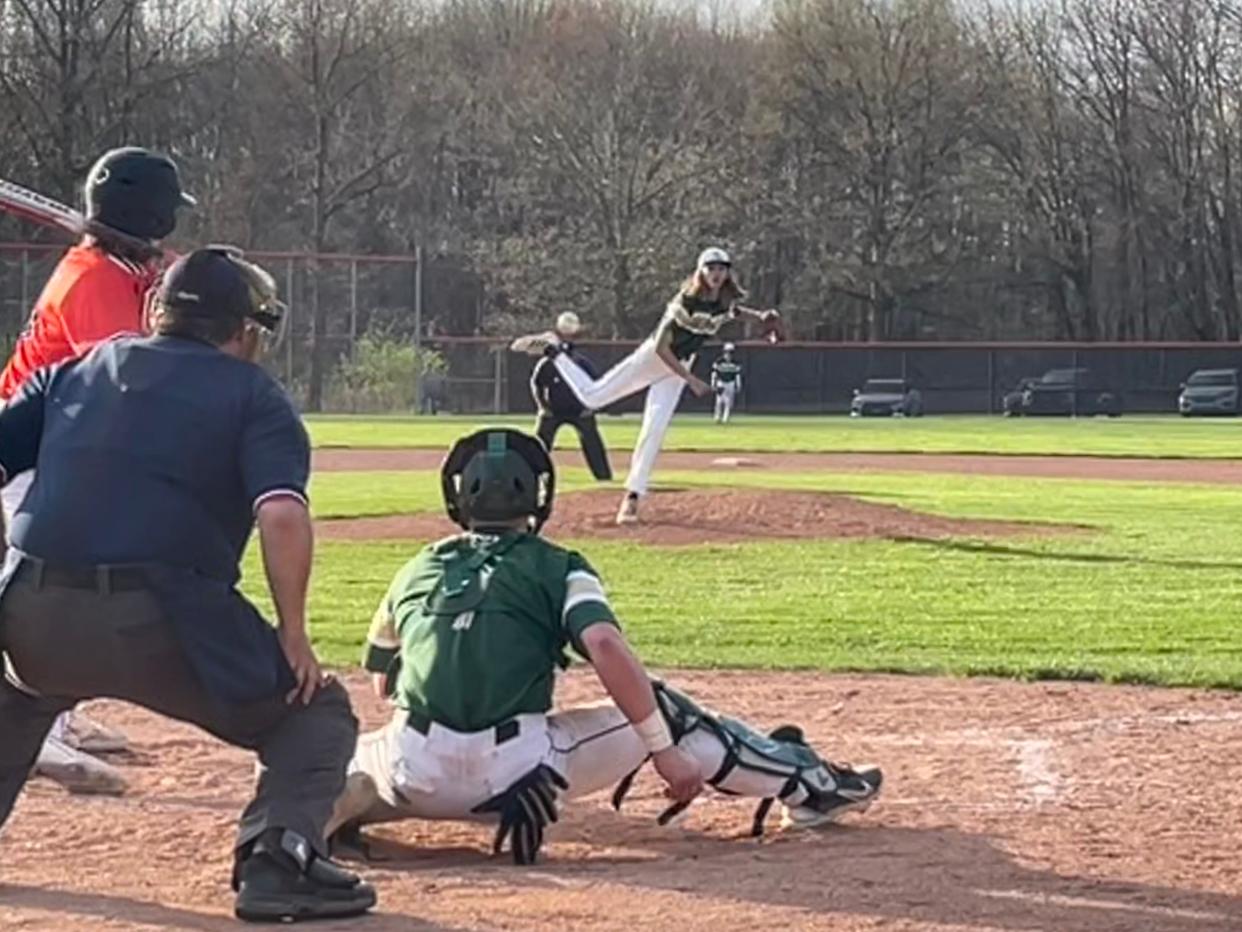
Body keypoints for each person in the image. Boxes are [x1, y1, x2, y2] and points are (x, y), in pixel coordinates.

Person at [0, 248, 376, 923]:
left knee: (17, 696)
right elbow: (282, 513)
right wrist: (294, 635)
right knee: (316, 717)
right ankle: (277, 863)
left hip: (32, 611)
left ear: (158, 313)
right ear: (245, 330)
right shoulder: (252, 394)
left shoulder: (76, 369)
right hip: (164, 614)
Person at [328, 428, 881, 864]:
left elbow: (384, 682)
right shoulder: (558, 564)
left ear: (458, 497)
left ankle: (322, 815)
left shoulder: (418, 566)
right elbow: (604, 645)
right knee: (664, 712)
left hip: (412, 769)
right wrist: (661, 750)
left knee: (322, 755)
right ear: (536, 498)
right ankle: (808, 786)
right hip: (520, 774)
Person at [0, 146, 196, 796]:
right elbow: (126, 382)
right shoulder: (93, 283)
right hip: (28, 448)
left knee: (61, 586)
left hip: (60, 445)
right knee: (41, 584)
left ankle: (61, 715)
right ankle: (42, 736)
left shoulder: (122, 271)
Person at [511, 248, 778, 525]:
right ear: (700, 271)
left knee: (655, 429)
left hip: (680, 366)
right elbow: (662, 348)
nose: (716, 273)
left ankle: (632, 498)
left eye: (721, 268)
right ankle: (554, 349)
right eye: (711, 268)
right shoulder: (683, 302)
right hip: (655, 358)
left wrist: (761, 317)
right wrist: (691, 380)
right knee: (592, 397)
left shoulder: (722, 301)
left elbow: (733, 312)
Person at [530, 311, 613, 481]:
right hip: (553, 410)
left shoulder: (581, 363)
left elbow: (595, 385)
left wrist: (589, 408)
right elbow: (537, 384)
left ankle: (603, 477)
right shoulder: (547, 364)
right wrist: (543, 407)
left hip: (579, 410)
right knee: (539, 444)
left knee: (592, 441)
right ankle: (532, 473)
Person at [711, 342, 743, 424]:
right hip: (721, 382)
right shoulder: (719, 362)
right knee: (719, 401)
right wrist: (713, 383)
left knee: (729, 402)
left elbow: (737, 375)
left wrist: (738, 385)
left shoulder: (735, 363)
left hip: (730, 383)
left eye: (730, 352)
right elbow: (714, 373)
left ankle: (725, 418)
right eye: (727, 352)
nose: (728, 354)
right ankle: (717, 417)